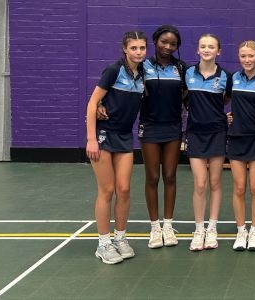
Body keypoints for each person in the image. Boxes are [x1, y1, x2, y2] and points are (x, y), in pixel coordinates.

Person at [85, 31, 147, 264]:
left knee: (124, 189)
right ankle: (103, 243)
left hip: (124, 137)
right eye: (134, 48)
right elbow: (92, 102)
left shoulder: (142, 73)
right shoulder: (114, 70)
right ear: (125, 49)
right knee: (107, 189)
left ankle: (120, 238)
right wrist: (91, 138)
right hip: (103, 135)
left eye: (142, 48)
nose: (138, 52)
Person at [138, 25, 185, 248]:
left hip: (173, 128)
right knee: (153, 177)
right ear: (155, 41)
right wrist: (100, 105)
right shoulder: (141, 66)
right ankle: (155, 228)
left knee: (170, 176)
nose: (167, 46)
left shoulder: (181, 68)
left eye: (172, 44)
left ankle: (168, 225)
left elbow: (189, 98)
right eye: (163, 42)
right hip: (149, 127)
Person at [184, 33, 231, 251]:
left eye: (211, 46)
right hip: (195, 133)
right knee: (200, 183)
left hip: (217, 133)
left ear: (218, 51)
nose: (206, 49)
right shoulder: (188, 74)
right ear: (197, 50)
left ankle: (212, 228)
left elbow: (228, 99)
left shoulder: (225, 77)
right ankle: (199, 229)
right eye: (203, 46)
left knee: (214, 182)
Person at [226, 40, 255, 251]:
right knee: (239, 187)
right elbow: (224, 100)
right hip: (236, 138)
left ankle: (254, 231)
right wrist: (229, 116)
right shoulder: (233, 78)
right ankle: (241, 231)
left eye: (251, 56)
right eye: (243, 56)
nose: (247, 60)